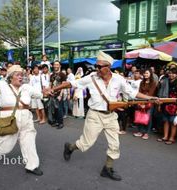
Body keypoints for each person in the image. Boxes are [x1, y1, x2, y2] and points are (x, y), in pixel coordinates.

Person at [44, 51, 157, 181]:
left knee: (115, 145)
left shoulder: (119, 79)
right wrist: (54, 89)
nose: (96, 69)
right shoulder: (91, 77)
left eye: (99, 66)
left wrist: (150, 98)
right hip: (94, 115)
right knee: (86, 144)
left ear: (108, 67)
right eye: (96, 66)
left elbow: (132, 93)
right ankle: (70, 147)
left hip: (111, 116)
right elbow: (72, 84)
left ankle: (107, 168)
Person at [0, 64, 43, 176]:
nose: (21, 77)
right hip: (9, 118)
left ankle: (32, 165)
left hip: (26, 117)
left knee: (29, 141)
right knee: (6, 144)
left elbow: (40, 94)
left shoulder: (27, 87)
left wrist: (49, 91)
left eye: (22, 75)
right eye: (18, 75)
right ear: (11, 77)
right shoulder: (2, 85)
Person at [157, 68, 177, 144]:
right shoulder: (165, 82)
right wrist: (159, 105)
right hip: (165, 103)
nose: (171, 75)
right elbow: (160, 94)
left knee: (173, 122)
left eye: (173, 73)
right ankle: (165, 136)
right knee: (165, 121)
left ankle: (171, 138)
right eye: (170, 73)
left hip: (173, 105)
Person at [133, 68, 157, 140]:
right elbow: (139, 92)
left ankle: (146, 133)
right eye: (144, 73)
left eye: (147, 73)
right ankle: (139, 131)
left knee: (148, 117)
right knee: (139, 115)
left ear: (150, 74)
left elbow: (151, 93)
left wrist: (145, 103)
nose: (145, 74)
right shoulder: (141, 82)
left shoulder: (153, 83)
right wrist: (141, 102)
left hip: (149, 102)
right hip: (140, 101)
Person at [48, 61, 67, 129]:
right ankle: (56, 121)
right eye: (54, 64)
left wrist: (60, 95)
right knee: (54, 109)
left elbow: (63, 86)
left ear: (60, 66)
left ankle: (60, 123)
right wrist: (49, 91)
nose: (55, 66)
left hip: (59, 94)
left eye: (57, 64)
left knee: (59, 109)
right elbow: (50, 84)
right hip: (52, 94)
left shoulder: (62, 74)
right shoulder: (51, 75)